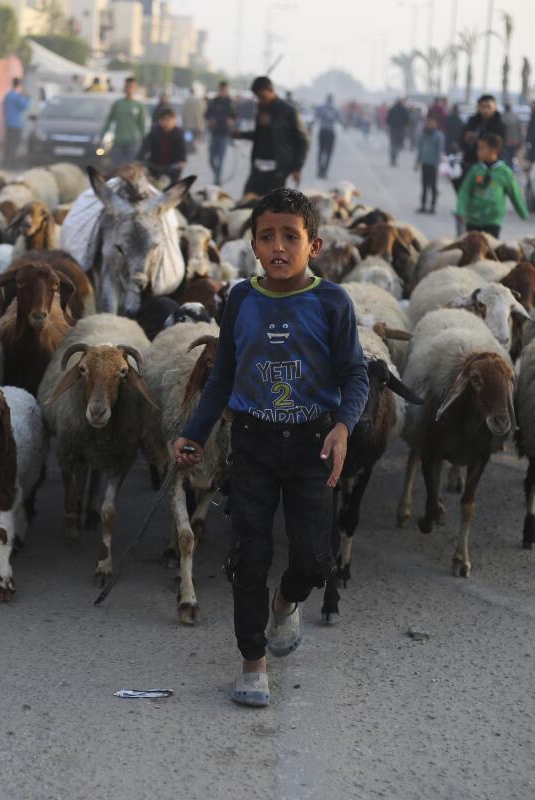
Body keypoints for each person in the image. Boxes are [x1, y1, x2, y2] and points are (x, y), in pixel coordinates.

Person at [172, 188, 369, 709]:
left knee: (314, 558)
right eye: (266, 237)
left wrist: (344, 426)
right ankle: (252, 663)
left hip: (313, 443)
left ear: (315, 244)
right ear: (253, 244)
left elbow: (354, 375)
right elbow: (224, 378)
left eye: (290, 236)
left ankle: (287, 601)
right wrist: (194, 432)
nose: (278, 247)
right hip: (254, 441)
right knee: (248, 554)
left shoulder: (332, 303)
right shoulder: (240, 298)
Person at [233, 76, 308, 196]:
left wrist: (297, 168)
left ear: (271, 90)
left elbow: (303, 140)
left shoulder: (289, 111)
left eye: (262, 96)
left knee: (271, 206)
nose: (260, 100)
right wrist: (242, 135)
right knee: (247, 200)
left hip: (278, 171)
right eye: (257, 97)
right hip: (258, 167)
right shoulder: (261, 109)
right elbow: (260, 135)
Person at [455, 131, 527, 238]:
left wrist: (523, 212)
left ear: (494, 150)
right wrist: (460, 210)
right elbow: (464, 192)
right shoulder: (475, 170)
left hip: (493, 222)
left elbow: (514, 193)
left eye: (482, 148)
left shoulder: (504, 172)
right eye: (478, 148)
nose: (478, 152)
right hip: (473, 220)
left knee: (490, 250)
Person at [100, 77, 147, 168]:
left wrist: (145, 141)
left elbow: (142, 125)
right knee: (116, 167)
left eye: (132, 87)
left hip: (133, 142)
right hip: (119, 140)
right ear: (124, 88)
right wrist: (103, 134)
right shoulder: (118, 104)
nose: (129, 89)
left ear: (135, 89)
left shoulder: (138, 105)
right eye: (128, 86)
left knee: (131, 167)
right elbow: (109, 120)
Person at [460, 95, 506, 181]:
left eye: (488, 107)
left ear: (494, 107)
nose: (485, 110)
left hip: (491, 166)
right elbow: (462, 140)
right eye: (482, 107)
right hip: (471, 163)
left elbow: (501, 145)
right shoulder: (472, 121)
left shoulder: (499, 124)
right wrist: (467, 139)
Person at [138, 107, 187, 184]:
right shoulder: (154, 132)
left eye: (169, 120)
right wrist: (139, 160)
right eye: (163, 120)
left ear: (174, 120)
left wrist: (181, 162)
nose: (166, 122)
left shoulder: (179, 134)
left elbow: (182, 152)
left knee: (174, 189)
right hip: (155, 166)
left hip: (172, 168)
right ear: (159, 121)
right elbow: (145, 147)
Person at [205, 81, 237, 186]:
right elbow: (206, 114)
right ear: (219, 89)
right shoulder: (214, 101)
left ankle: (217, 182)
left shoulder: (230, 102)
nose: (223, 91)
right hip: (214, 133)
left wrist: (231, 121)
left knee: (220, 160)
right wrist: (210, 120)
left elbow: (234, 116)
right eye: (221, 89)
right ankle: (217, 177)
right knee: (211, 159)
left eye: (225, 89)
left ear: (227, 90)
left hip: (224, 134)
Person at [416, 113, 444, 214]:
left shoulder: (439, 136)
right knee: (424, 185)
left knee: (433, 186)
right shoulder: (423, 134)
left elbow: (440, 151)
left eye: (432, 122)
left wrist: (438, 165)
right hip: (425, 163)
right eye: (428, 122)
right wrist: (417, 161)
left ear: (436, 124)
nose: (429, 124)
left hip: (433, 165)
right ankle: (423, 205)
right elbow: (420, 149)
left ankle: (432, 206)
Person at [2, 78, 30, 167]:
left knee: (8, 143)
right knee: (14, 144)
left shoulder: (7, 95)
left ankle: (6, 161)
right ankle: (11, 163)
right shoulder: (17, 96)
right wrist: (27, 98)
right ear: (18, 85)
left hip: (8, 123)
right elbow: (24, 106)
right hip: (16, 124)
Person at [314, 94, 342, 180]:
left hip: (323, 131)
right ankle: (324, 173)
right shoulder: (335, 108)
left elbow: (316, 118)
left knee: (321, 152)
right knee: (329, 154)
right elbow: (339, 120)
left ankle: (319, 171)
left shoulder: (321, 107)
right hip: (330, 132)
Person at [386, 98, 410, 166]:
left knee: (393, 145)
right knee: (397, 145)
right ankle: (394, 159)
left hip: (394, 129)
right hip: (399, 130)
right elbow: (407, 120)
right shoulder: (404, 110)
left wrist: (389, 126)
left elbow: (387, 119)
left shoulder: (392, 109)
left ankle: (393, 159)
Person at [501, 102, 523, 167]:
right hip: (515, 141)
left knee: (506, 158)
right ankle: (510, 170)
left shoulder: (502, 117)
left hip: (505, 142)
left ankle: (506, 170)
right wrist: (520, 141)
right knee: (511, 157)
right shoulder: (515, 117)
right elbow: (520, 130)